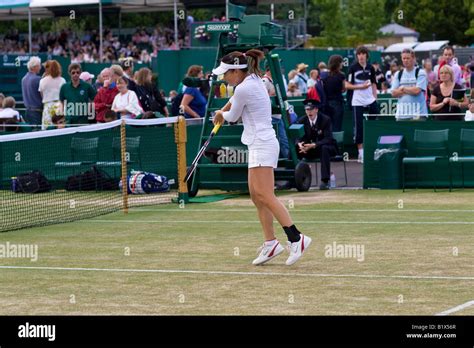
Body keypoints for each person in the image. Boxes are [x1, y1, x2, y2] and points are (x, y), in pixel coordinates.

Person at [212, 49, 312, 266]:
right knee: (256, 196)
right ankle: (270, 243)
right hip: (258, 143)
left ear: (237, 71)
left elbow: (233, 116)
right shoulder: (253, 79)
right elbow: (234, 102)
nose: (224, 77)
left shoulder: (243, 88)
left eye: (226, 73)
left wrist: (220, 115)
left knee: (266, 195)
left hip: (262, 143)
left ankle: (296, 238)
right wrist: (225, 108)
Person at [295, 99, 337, 190]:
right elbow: (297, 136)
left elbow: (328, 139)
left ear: (316, 110)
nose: (309, 112)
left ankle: (325, 181)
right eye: (307, 110)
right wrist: (299, 144)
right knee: (293, 150)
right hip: (308, 149)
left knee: (324, 148)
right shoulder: (302, 120)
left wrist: (314, 145)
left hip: (325, 148)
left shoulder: (325, 120)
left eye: (311, 109)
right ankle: (293, 180)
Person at [346, 46, 378, 163]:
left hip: (370, 99)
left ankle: (371, 148)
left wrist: (375, 97)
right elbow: (347, 85)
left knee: (372, 122)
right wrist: (361, 87)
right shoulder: (352, 68)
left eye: (363, 54)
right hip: (357, 100)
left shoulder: (371, 68)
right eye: (359, 54)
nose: (361, 56)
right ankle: (361, 153)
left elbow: (374, 83)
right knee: (358, 126)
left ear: (366, 55)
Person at [391, 48, 428, 121]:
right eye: (404, 58)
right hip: (401, 115)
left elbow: (417, 91)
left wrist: (402, 88)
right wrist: (410, 90)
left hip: (418, 114)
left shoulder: (421, 72)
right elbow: (393, 93)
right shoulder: (398, 74)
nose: (405, 60)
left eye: (408, 58)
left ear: (413, 58)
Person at [261, 65, 290, 159]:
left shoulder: (273, 80)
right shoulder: (265, 81)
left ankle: (288, 161)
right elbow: (261, 98)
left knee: (284, 140)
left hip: (278, 116)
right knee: (278, 141)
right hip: (271, 117)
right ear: (269, 69)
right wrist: (271, 95)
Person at [38, 60, 66, 130]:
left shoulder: (42, 81)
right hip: (60, 107)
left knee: (47, 131)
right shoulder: (62, 80)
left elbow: (42, 95)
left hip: (48, 107)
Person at [323, 55, 346, 132]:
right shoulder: (341, 75)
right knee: (337, 127)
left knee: (328, 127)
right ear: (338, 63)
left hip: (326, 104)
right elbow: (344, 89)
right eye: (341, 62)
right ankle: (336, 143)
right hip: (338, 103)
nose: (342, 64)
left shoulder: (324, 75)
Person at [21, 56, 43, 128]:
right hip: (36, 113)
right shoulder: (38, 79)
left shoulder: (23, 79)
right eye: (39, 65)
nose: (40, 67)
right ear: (34, 67)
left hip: (27, 112)